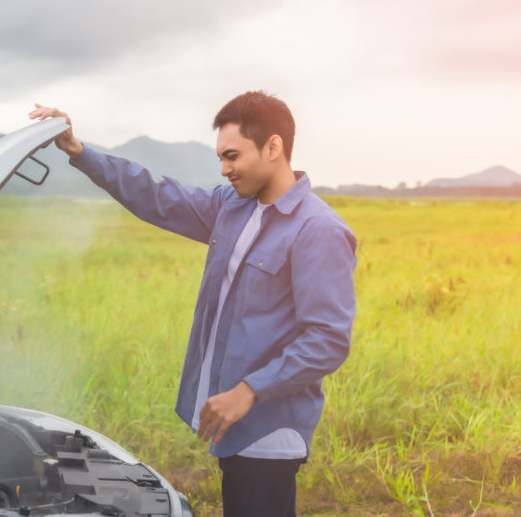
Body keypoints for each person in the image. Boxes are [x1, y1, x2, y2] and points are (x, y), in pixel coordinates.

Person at [29, 91, 356, 517]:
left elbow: (328, 340)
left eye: (233, 155)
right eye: (221, 157)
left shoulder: (319, 230)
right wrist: (79, 151)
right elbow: (155, 194)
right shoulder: (230, 207)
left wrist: (249, 390)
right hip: (235, 426)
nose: (224, 169)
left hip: (269, 432)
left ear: (273, 147)